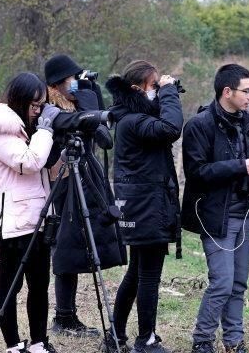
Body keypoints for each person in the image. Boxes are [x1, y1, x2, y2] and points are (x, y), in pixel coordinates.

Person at [181, 64, 249, 353]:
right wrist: (239, 166)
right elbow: (196, 172)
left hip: (245, 214)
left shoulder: (246, 122)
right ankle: (202, 340)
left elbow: (247, 167)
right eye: (246, 91)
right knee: (222, 283)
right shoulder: (199, 125)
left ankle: (234, 342)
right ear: (227, 92)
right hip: (215, 216)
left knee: (238, 284)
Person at [0, 72, 60, 353]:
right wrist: (46, 130)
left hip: (38, 218)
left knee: (40, 285)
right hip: (13, 222)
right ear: (20, 101)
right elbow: (29, 163)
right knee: (11, 287)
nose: (38, 111)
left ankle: (39, 342)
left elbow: (50, 171)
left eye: (41, 106)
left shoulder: (27, 129)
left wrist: (61, 145)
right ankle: (12, 344)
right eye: (34, 106)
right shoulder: (0, 130)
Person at [43, 53, 126, 338]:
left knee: (81, 244)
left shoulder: (78, 100)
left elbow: (103, 133)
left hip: (88, 175)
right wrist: (88, 108)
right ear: (57, 82)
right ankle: (64, 316)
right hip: (64, 178)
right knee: (67, 245)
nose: (75, 83)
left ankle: (68, 315)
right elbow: (73, 125)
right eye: (71, 78)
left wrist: (92, 92)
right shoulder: (49, 107)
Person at [104, 60, 184, 353]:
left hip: (143, 205)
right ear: (138, 89)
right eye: (154, 86)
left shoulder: (130, 116)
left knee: (137, 272)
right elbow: (172, 127)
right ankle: (145, 339)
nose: (158, 91)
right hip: (147, 206)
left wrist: (164, 93)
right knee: (149, 275)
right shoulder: (134, 121)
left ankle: (115, 335)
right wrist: (170, 93)